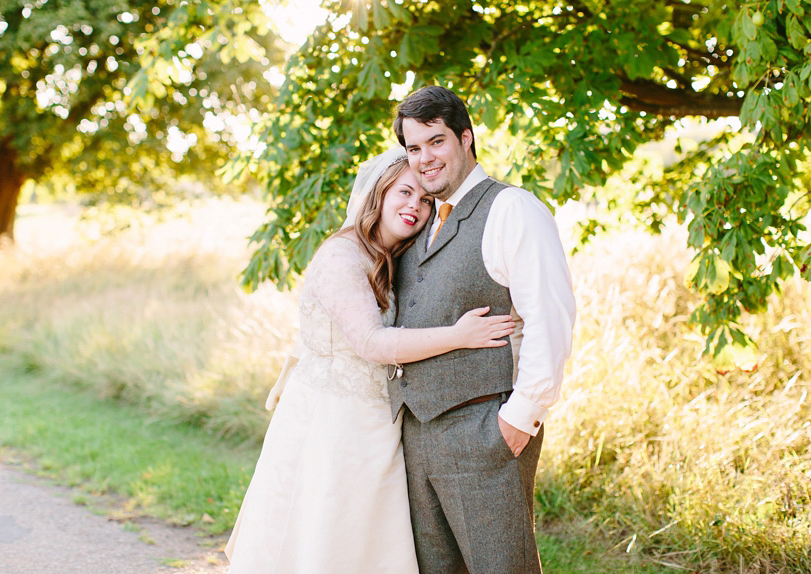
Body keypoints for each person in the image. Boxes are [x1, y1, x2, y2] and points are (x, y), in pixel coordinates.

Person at [224, 149, 517, 574]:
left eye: (424, 201)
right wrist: (459, 337)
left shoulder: (389, 259)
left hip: (376, 425)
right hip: (330, 424)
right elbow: (371, 342)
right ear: (377, 194)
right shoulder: (342, 256)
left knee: (365, 543)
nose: (414, 207)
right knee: (323, 536)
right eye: (404, 192)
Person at [389, 85, 576, 574]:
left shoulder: (512, 209)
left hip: (485, 430)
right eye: (413, 148)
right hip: (418, 436)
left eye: (436, 141)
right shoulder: (420, 221)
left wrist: (519, 420)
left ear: (466, 138)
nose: (424, 159)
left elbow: (550, 316)